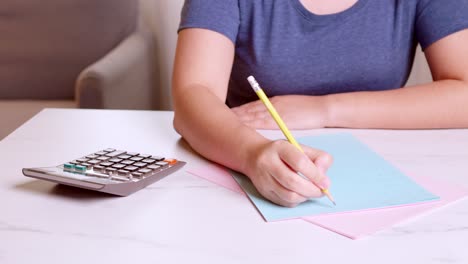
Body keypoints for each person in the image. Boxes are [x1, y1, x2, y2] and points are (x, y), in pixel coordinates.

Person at [172, 0, 468, 207]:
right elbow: (193, 93)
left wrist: (324, 109)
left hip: (378, 176)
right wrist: (252, 155)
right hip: (244, 162)